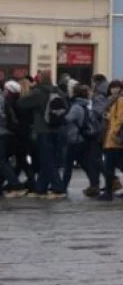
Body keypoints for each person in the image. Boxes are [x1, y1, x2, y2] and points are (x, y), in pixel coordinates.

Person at [18, 70, 68, 198]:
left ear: (40, 79)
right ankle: (41, 188)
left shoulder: (38, 92)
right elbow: (66, 107)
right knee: (50, 160)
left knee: (47, 160)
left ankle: (58, 188)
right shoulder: (58, 91)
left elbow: (21, 103)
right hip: (58, 130)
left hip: (43, 130)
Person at [62, 84, 99, 196]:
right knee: (85, 163)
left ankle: (63, 187)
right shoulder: (87, 106)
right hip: (84, 138)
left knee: (68, 164)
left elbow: (67, 119)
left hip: (75, 139)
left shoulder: (76, 107)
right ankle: (94, 184)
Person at [99, 80, 123, 201]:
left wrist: (113, 132)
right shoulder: (112, 101)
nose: (115, 90)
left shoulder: (121, 100)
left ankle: (110, 192)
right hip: (110, 139)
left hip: (116, 139)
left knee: (113, 167)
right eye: (112, 87)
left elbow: (121, 118)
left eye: (117, 87)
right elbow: (113, 117)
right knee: (116, 166)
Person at [0, 81, 27, 197]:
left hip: (3, 133)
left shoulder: (5, 101)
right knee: (4, 160)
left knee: (2, 160)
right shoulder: (15, 101)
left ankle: (16, 184)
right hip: (10, 134)